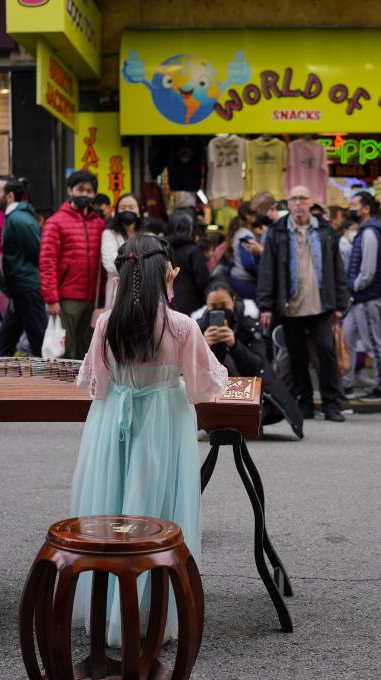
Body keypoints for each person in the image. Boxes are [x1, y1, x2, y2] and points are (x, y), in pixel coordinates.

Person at [70, 233, 228, 647]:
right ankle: (152, 612)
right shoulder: (181, 326)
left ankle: (111, 611)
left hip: (112, 420)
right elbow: (203, 388)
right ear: (168, 274)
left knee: (111, 506)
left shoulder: (106, 323)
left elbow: (94, 382)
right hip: (162, 420)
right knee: (159, 508)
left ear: (120, 278)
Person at [257, 185, 349, 422]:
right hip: (290, 305)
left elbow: (337, 269)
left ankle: (331, 404)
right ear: (288, 204)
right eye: (294, 199)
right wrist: (266, 305)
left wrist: (340, 302)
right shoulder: (277, 231)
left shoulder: (326, 231)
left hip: (320, 304)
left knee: (326, 352)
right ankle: (305, 402)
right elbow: (267, 270)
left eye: (302, 198)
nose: (298, 203)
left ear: (311, 202)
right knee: (297, 357)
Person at [196, 279, 304, 438]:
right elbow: (188, 368)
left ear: (233, 301)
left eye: (223, 305)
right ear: (206, 305)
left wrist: (234, 345)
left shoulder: (249, 325)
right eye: (213, 307)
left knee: (234, 363)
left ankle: (252, 413)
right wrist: (204, 345)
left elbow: (258, 364)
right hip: (214, 388)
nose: (219, 311)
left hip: (247, 385)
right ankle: (223, 416)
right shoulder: (198, 327)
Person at [40, 170, 106, 360]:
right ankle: (62, 390)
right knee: (65, 352)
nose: (84, 194)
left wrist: (101, 297)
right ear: (70, 190)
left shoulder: (99, 223)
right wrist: (51, 299)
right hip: (65, 299)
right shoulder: (55, 222)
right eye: (80, 189)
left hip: (92, 300)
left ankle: (82, 391)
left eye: (89, 190)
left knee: (86, 352)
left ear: (94, 194)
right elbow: (47, 262)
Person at [343, 191, 381, 401]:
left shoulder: (369, 233)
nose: (350, 208)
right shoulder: (364, 231)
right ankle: (346, 383)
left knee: (373, 342)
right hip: (358, 298)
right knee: (346, 338)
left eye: (354, 205)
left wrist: (355, 285)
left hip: (366, 297)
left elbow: (368, 271)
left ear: (366, 208)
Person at [0, 177, 48, 357]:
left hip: (27, 289)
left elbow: (37, 252)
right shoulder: (14, 217)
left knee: (38, 340)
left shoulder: (19, 219)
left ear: (9, 196)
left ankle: (51, 383)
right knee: (4, 340)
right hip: (19, 290)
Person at [99, 193, 143, 310]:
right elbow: (112, 264)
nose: (127, 210)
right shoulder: (109, 234)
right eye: (123, 208)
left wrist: (129, 260)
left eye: (131, 207)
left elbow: (155, 263)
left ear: (139, 211)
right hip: (117, 295)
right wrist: (142, 264)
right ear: (117, 212)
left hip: (144, 293)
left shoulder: (148, 235)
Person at [165, 211, 211, 315]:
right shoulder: (194, 250)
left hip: (167, 304)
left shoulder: (162, 250)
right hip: (192, 306)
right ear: (190, 229)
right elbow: (203, 281)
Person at [227, 203, 264, 300]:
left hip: (238, 279)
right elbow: (248, 263)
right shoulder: (245, 236)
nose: (257, 215)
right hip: (245, 282)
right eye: (254, 213)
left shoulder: (239, 232)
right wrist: (262, 276)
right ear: (247, 215)